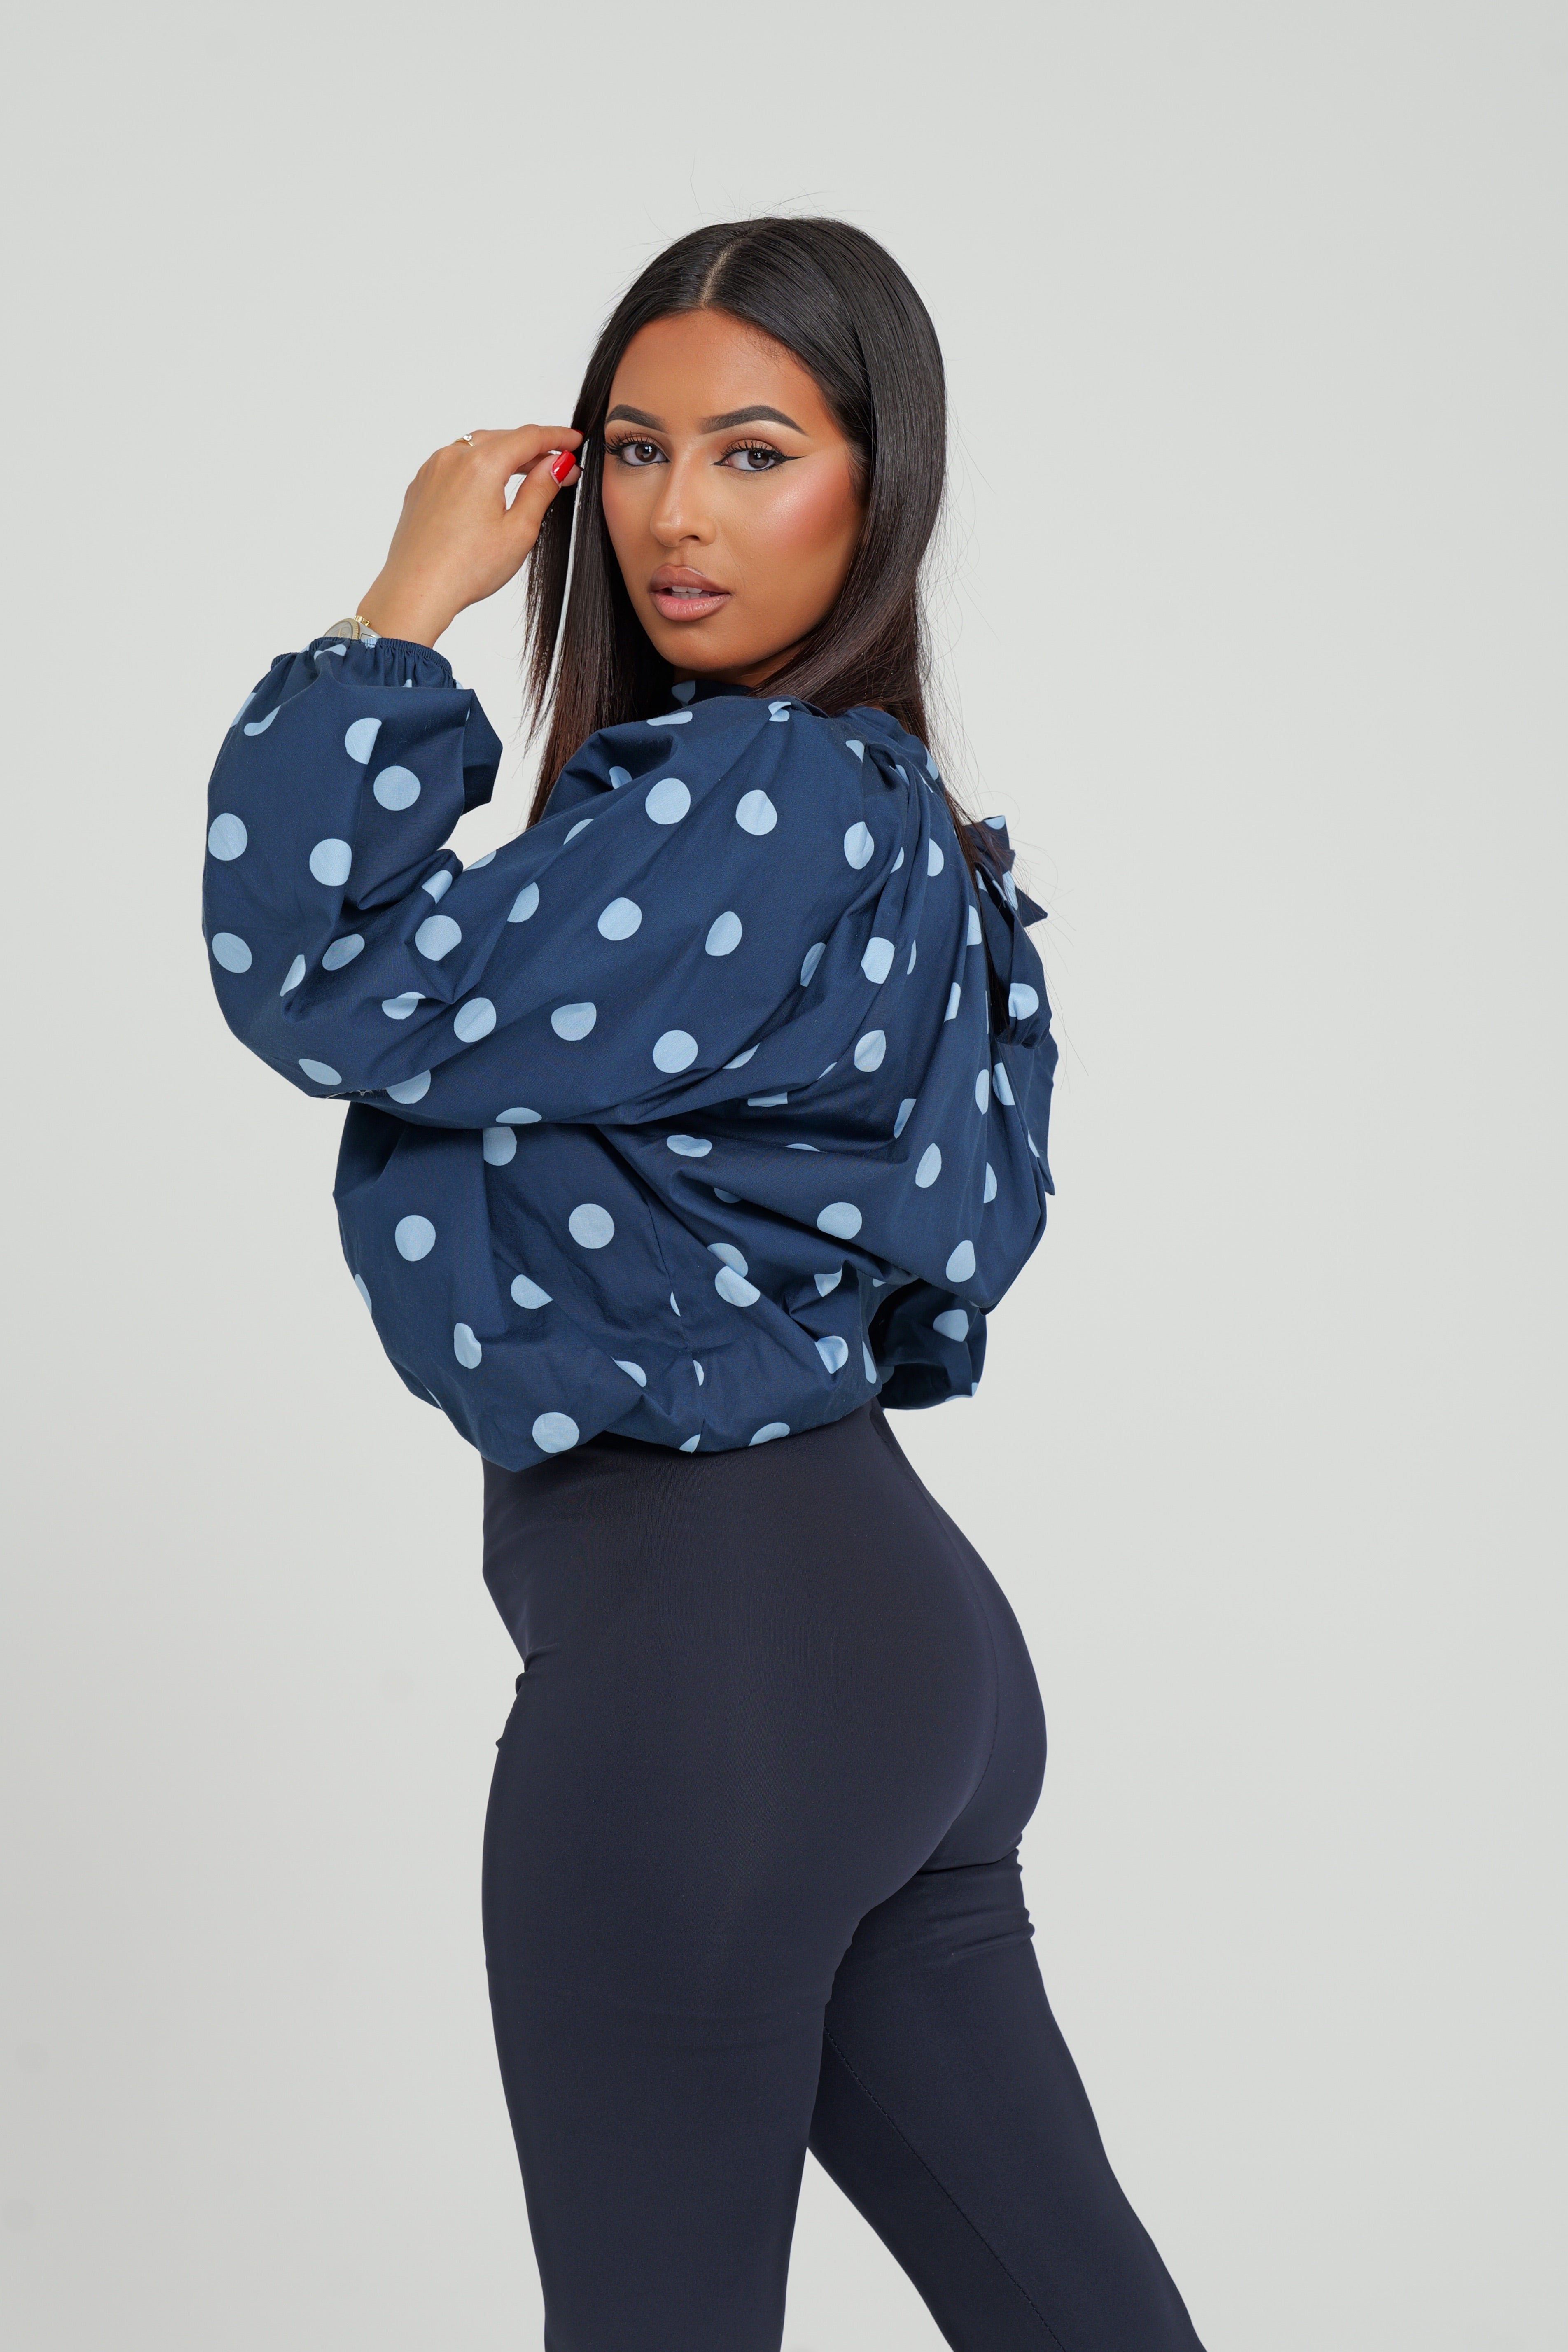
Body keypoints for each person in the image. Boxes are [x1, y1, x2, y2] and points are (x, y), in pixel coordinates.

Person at [202, 217, 1205, 2352]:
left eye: (755, 453)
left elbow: (320, 975)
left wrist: (396, 616)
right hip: (889, 1648)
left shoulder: (755, 794)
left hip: (713, 1668)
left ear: (878, 485)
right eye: (639, 449)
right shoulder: (885, 812)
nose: (675, 515)